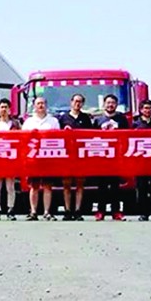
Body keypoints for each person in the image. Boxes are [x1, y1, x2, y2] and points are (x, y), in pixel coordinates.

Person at [23, 96, 61, 221]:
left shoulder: (53, 121)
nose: (40, 106)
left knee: (47, 186)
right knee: (34, 186)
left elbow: (58, 138)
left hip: (48, 157)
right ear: (34, 106)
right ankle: (33, 211)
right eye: (38, 103)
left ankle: (46, 212)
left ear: (46, 105)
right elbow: (23, 139)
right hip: (33, 158)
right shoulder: (29, 122)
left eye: (43, 103)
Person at [93, 94, 130, 221]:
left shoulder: (122, 119)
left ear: (116, 105)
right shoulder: (97, 120)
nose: (110, 105)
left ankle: (116, 211)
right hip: (102, 156)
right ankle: (100, 211)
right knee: (102, 186)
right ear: (104, 104)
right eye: (108, 103)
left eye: (113, 103)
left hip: (117, 157)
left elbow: (127, 136)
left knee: (115, 186)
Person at [58, 93, 93, 221]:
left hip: (80, 156)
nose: (77, 104)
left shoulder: (86, 118)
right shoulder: (62, 118)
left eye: (80, 102)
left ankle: (78, 211)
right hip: (66, 156)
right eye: (75, 101)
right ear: (71, 102)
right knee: (66, 184)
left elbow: (90, 135)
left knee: (80, 184)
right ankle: (67, 210)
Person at [0, 98, 20, 220]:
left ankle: (10, 210)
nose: (4, 109)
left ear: (10, 109)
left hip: (10, 158)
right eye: (2, 107)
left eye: (6, 107)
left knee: (10, 187)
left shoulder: (15, 124)